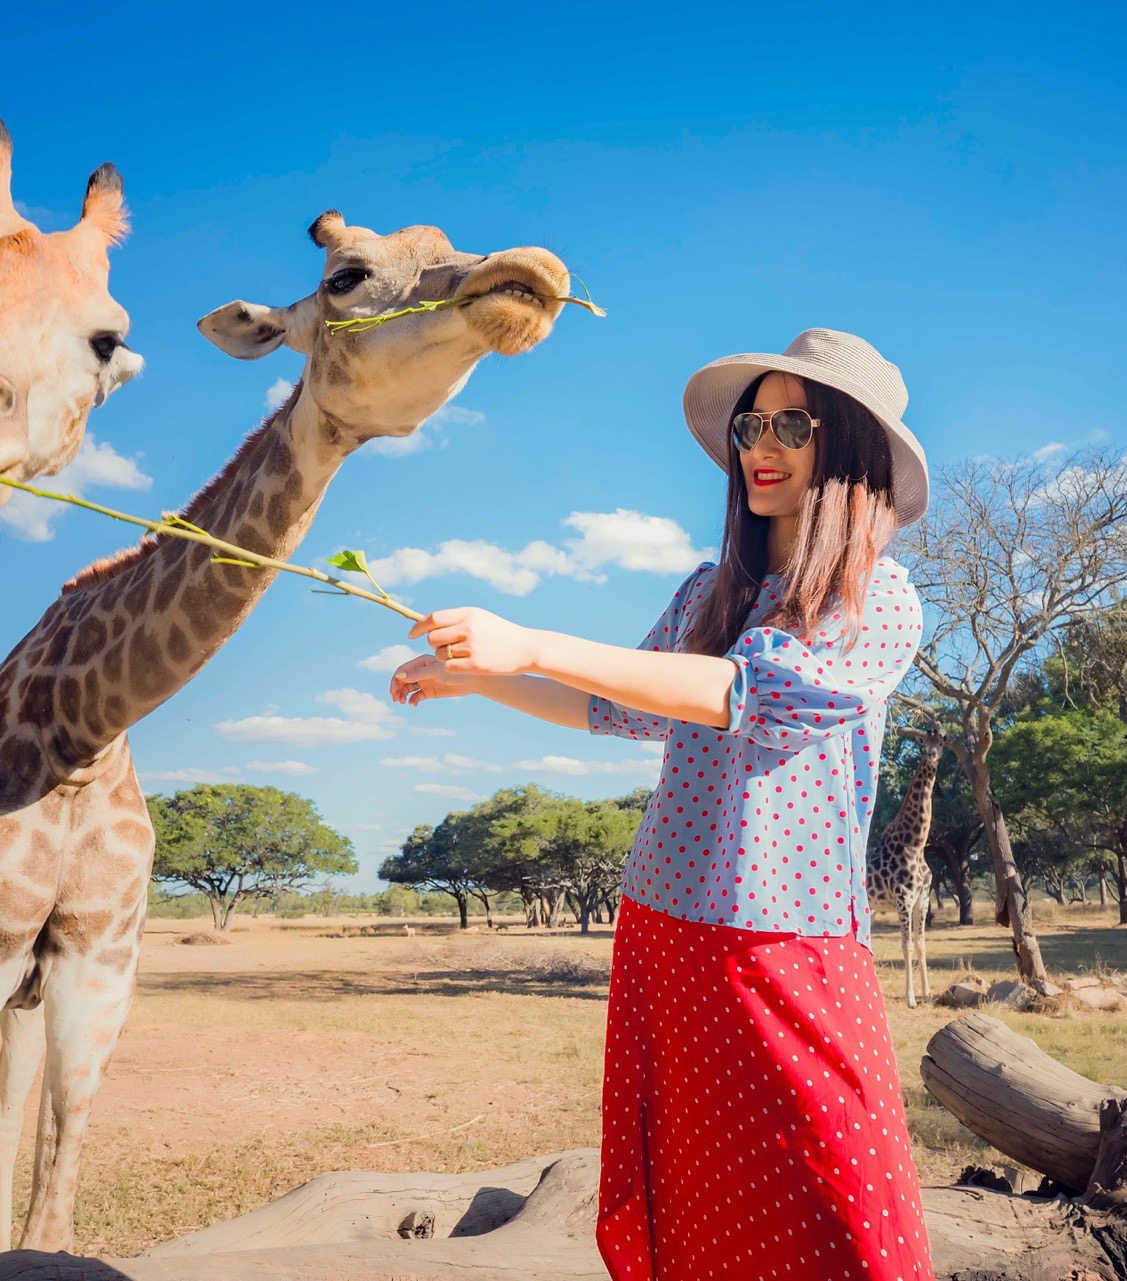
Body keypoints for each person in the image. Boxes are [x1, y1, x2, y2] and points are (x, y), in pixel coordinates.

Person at [387, 329, 935, 1280]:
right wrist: (480, 679)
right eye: (751, 423)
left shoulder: (879, 598)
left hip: (785, 940)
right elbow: (616, 703)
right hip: (663, 928)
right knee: (693, 1189)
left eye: (792, 425)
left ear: (847, 448)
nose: (760, 444)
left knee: (839, 1184)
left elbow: (739, 695)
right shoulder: (708, 590)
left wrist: (529, 642)